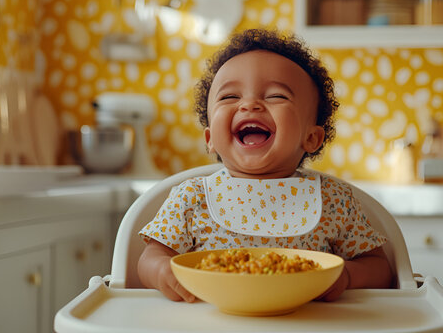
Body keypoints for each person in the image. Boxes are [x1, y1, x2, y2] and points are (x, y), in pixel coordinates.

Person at [137, 28, 392, 303]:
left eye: (276, 96)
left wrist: (347, 277)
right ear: (210, 139)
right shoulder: (191, 198)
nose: (250, 105)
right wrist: (164, 272)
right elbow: (151, 257)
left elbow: (380, 268)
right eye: (229, 97)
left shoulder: (334, 201)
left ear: (311, 137)